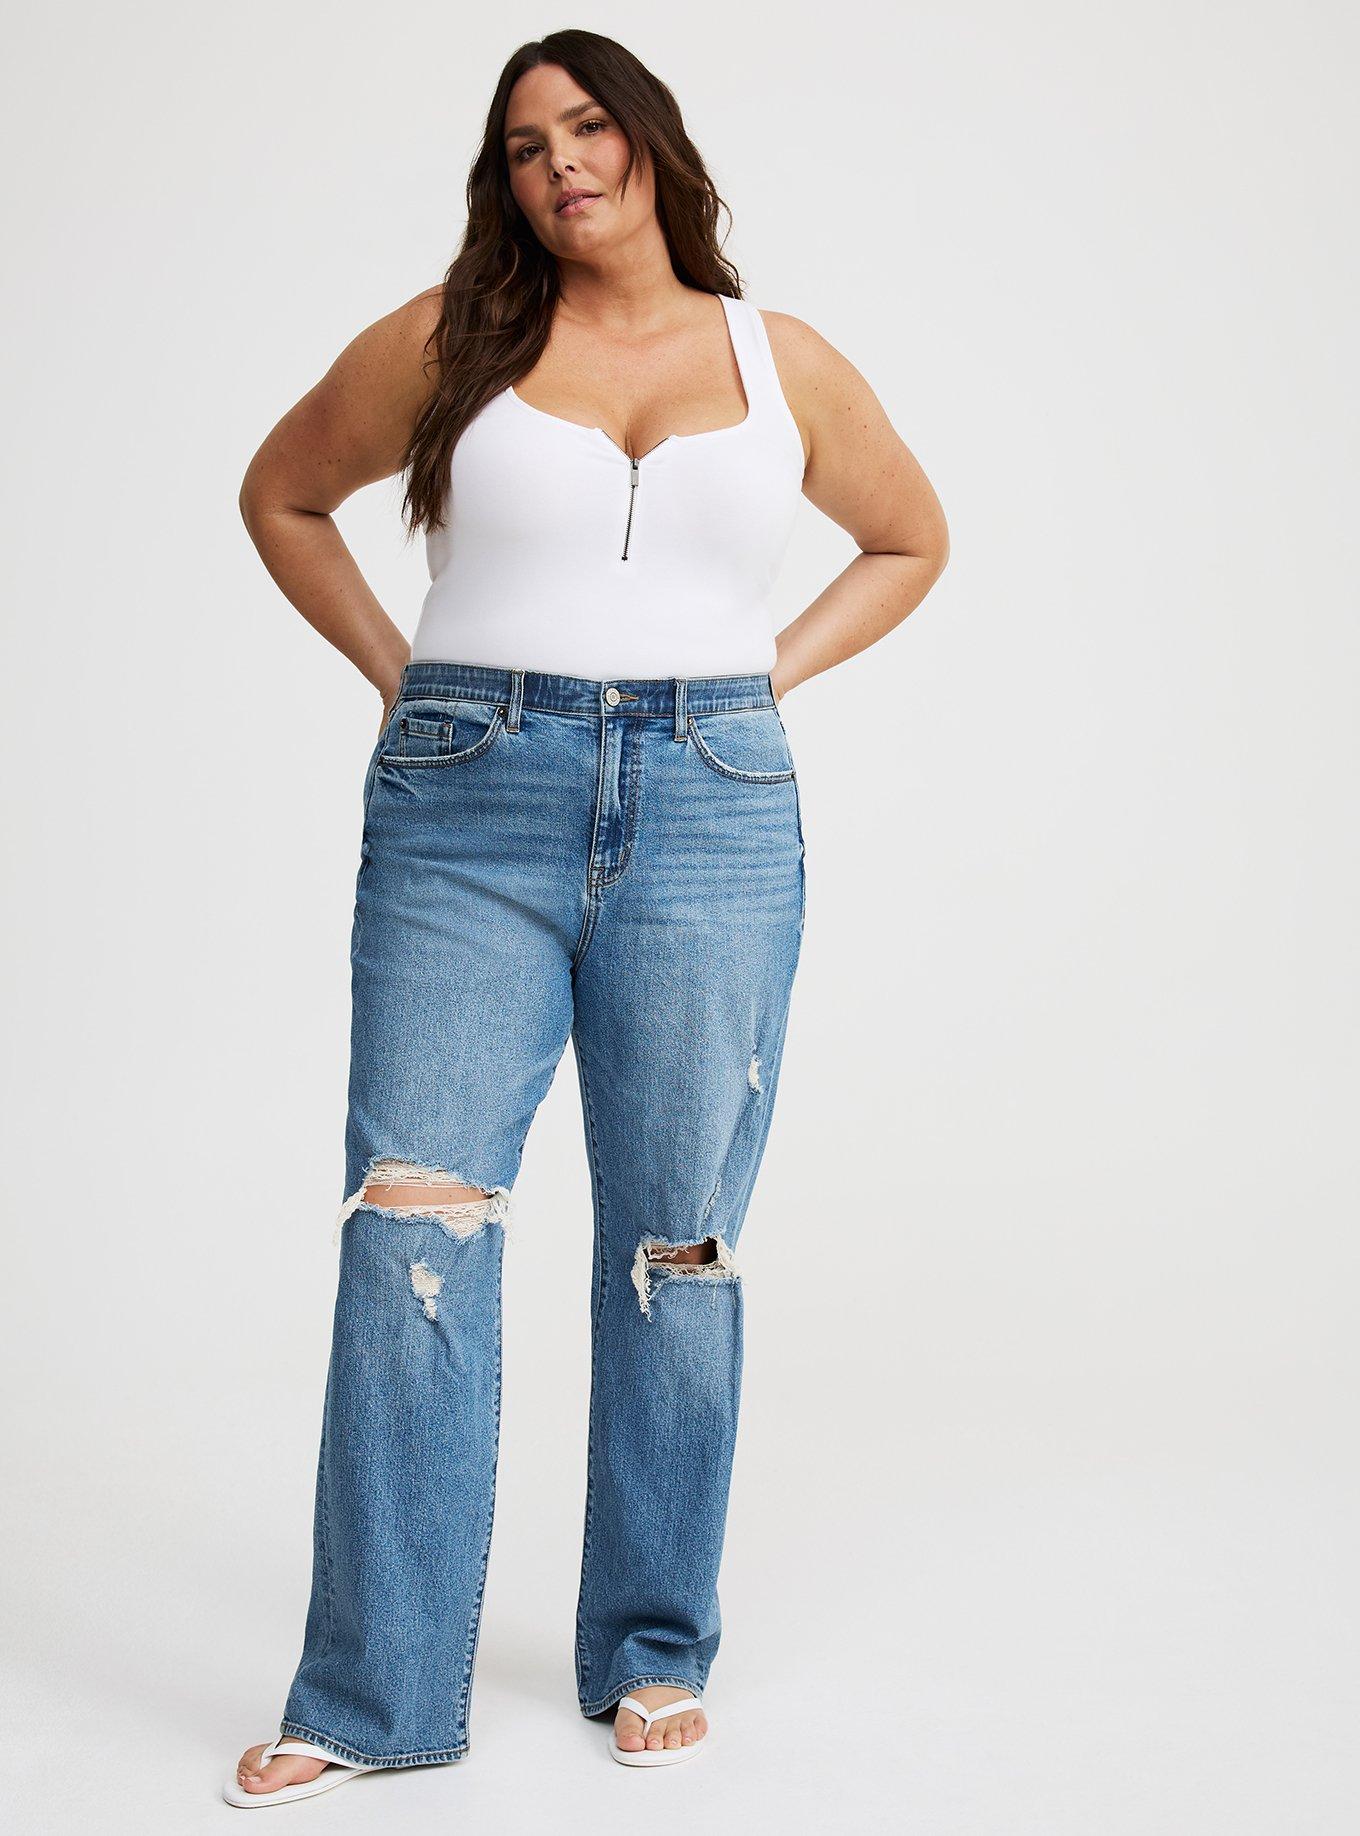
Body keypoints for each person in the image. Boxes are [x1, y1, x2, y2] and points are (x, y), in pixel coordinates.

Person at [227, 27, 948, 1806]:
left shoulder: (782, 362)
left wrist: (755, 683)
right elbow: (282, 492)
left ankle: (650, 1645)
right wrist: (402, 676)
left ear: (649, 140)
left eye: (587, 124)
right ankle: (376, 1692)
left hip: (714, 808)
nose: (561, 161)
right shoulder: (446, 340)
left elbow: (911, 539)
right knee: (414, 1221)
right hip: (467, 806)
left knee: (677, 1243)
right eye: (524, 143)